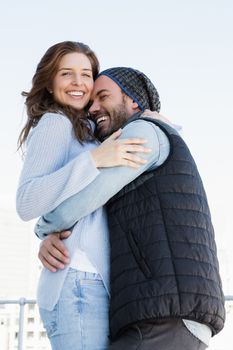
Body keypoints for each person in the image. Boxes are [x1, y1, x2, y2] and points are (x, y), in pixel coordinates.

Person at [36, 67, 225, 350]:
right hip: (164, 316)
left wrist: (43, 228)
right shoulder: (155, 134)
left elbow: (89, 195)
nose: (93, 108)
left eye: (103, 97)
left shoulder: (143, 132)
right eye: (90, 103)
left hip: (166, 318)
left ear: (134, 100)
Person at [16, 42, 153, 350]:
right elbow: (27, 201)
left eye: (86, 74)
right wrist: (94, 160)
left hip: (95, 283)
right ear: (50, 84)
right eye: (67, 74)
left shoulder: (88, 130)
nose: (78, 83)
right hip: (77, 282)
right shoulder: (55, 123)